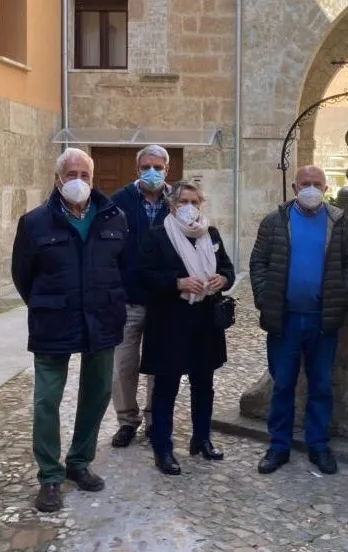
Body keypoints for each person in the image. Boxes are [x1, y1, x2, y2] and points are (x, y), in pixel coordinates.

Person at [11, 147, 128, 512]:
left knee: (97, 393)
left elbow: (123, 266)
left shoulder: (114, 217)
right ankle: (49, 475)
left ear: (93, 179)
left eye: (85, 175)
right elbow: (22, 275)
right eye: (71, 175)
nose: (78, 181)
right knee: (47, 400)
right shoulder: (34, 223)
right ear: (57, 178)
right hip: (53, 320)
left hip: (101, 318)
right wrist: (45, 302)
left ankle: (79, 462)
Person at [249, 165, 348, 475]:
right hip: (283, 321)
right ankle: (278, 446)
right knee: (282, 384)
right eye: (305, 184)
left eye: (316, 184)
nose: (310, 189)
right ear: (294, 187)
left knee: (321, 385)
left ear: (325, 188)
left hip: (322, 322)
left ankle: (318, 445)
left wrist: (344, 295)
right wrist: (264, 297)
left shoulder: (338, 222)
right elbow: (258, 262)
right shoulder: (275, 222)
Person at [138, 181, 235, 475]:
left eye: (195, 201)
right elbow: (144, 275)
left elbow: (228, 268)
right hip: (170, 323)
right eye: (183, 202)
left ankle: (201, 438)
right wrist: (177, 283)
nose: (190, 207)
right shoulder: (157, 236)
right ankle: (162, 448)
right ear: (172, 205)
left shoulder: (211, 233)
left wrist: (223, 280)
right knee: (166, 387)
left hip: (205, 322)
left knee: (204, 384)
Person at [108, 145, 172, 448]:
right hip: (128, 299)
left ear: (167, 170)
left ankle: (155, 418)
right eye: (147, 166)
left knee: (159, 364)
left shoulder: (176, 201)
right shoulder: (119, 201)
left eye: (158, 167)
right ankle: (126, 420)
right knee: (123, 365)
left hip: (164, 300)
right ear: (137, 169)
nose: (153, 172)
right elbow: (108, 249)